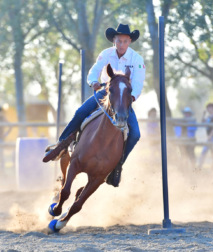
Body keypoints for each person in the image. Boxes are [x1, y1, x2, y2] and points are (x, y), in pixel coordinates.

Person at [44, 24, 145, 187]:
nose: (121, 45)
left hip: (124, 98)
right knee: (81, 111)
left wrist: (131, 97)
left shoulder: (137, 60)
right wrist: (93, 82)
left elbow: (139, 82)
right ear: (114, 40)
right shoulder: (106, 54)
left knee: (135, 134)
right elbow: (94, 70)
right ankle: (62, 144)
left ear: (129, 42)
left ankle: (117, 165)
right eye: (119, 41)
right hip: (106, 90)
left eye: (125, 41)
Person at [197, 103, 213, 170]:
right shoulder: (209, 117)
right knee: (205, 151)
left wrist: (210, 135)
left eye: (210, 107)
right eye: (207, 108)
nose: (208, 109)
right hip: (210, 137)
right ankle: (199, 167)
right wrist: (203, 114)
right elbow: (203, 122)